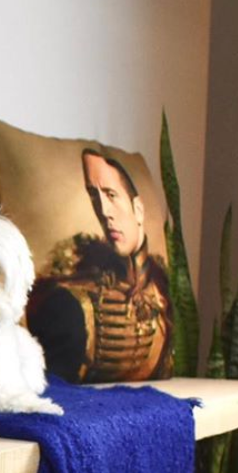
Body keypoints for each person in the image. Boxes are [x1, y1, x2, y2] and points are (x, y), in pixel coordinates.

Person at [26, 148, 172, 382]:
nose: (104, 212)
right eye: (94, 197)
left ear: (138, 210)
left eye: (111, 195)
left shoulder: (162, 294)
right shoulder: (70, 302)